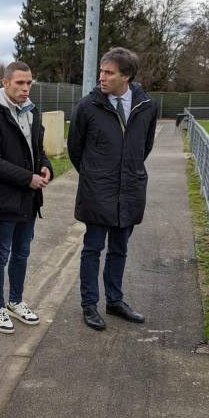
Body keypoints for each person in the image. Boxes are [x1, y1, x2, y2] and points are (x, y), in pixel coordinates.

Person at [67, 47, 159, 331]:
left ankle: (115, 301)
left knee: (119, 248)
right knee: (93, 248)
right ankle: (90, 305)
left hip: (129, 190)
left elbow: (144, 147)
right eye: (102, 72)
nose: (102, 78)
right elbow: (75, 150)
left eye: (109, 73)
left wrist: (126, 173)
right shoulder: (87, 107)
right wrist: (96, 175)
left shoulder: (147, 106)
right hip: (97, 191)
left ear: (126, 76)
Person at [0, 61, 53, 334]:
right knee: (1, 254)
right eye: (19, 82)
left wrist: (45, 167)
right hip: (3, 199)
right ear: (5, 83)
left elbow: (38, 149)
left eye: (29, 82)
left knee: (23, 251)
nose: (25, 88)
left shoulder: (33, 112)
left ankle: (15, 302)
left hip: (29, 199)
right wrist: (27, 178)